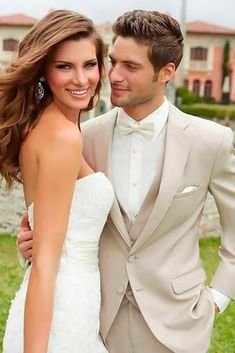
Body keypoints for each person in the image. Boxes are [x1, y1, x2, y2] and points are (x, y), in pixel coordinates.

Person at [18, 9, 235, 353]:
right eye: (113, 62)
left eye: (130, 67)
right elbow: (56, 219)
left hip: (179, 325)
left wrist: (217, 298)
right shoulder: (82, 136)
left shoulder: (211, 141)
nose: (113, 76)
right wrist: (30, 240)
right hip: (98, 321)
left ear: (167, 72)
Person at [0, 9, 114, 353]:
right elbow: (46, 264)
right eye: (65, 66)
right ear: (43, 71)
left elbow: (45, 221)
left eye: (89, 65)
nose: (81, 79)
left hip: (75, 304)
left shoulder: (48, 125)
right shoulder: (62, 136)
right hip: (60, 313)